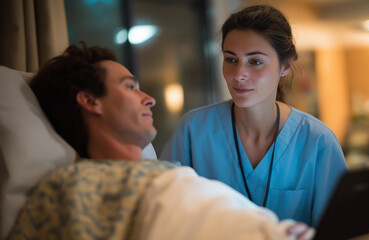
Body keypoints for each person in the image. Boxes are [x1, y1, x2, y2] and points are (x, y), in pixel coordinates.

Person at [7, 43, 315, 240]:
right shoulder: (70, 188)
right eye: (130, 87)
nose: (150, 99)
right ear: (90, 100)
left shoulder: (170, 175)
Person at [161, 5, 348, 227]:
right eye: (231, 59)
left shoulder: (317, 141)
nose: (238, 75)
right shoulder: (193, 131)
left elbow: (341, 229)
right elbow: (166, 214)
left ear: (285, 66)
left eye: (255, 62)